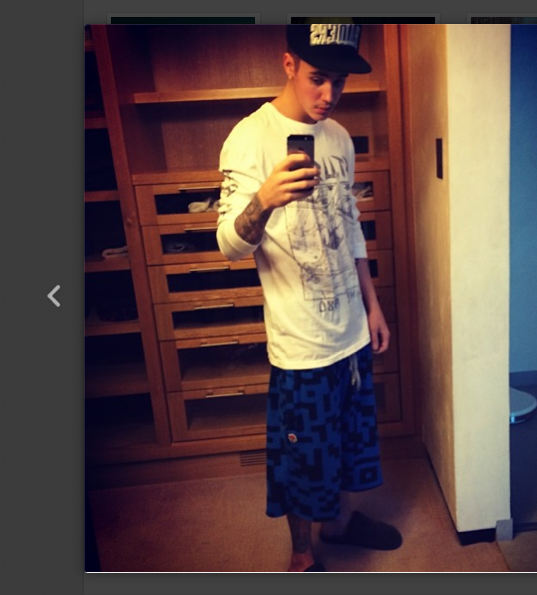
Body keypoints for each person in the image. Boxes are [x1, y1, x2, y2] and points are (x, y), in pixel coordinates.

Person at [216, 24, 400, 572]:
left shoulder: (338, 137)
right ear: (289, 64)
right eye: (318, 78)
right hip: (300, 342)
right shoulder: (249, 138)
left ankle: (340, 524)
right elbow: (228, 246)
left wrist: (372, 305)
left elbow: (350, 225)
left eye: (339, 82)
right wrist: (265, 199)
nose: (328, 95)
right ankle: (302, 555)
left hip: (351, 328)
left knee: (346, 438)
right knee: (301, 457)